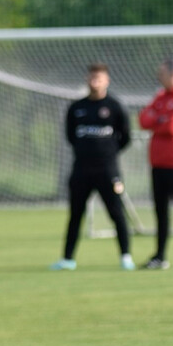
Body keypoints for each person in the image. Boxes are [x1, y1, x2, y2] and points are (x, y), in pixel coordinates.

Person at [51, 62, 134, 271]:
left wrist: (107, 153)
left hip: (107, 170)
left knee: (116, 213)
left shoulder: (115, 107)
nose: (94, 81)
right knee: (75, 215)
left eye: (99, 77)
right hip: (81, 170)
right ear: (87, 79)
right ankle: (67, 259)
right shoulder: (76, 108)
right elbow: (70, 136)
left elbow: (126, 138)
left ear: (107, 80)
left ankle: (126, 256)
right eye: (92, 77)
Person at [137, 56, 173, 269]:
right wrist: (161, 119)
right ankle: (160, 256)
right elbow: (143, 120)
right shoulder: (161, 96)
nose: (159, 77)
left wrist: (159, 119)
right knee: (160, 214)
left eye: (162, 73)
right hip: (158, 166)